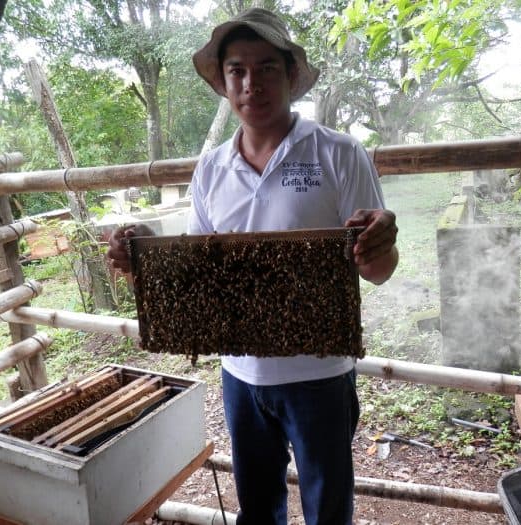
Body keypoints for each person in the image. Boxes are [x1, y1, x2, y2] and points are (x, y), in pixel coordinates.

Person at [108, 7, 398, 525]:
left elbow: (377, 271)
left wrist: (381, 244)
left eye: (266, 67)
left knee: (328, 512)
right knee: (257, 512)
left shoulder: (339, 153)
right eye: (237, 70)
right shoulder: (212, 168)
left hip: (321, 377)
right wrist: (145, 262)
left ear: (290, 75)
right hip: (239, 377)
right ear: (223, 82)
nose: (251, 83)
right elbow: (201, 275)